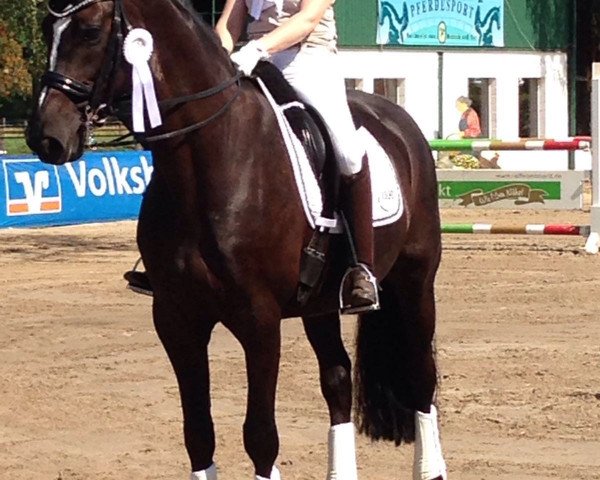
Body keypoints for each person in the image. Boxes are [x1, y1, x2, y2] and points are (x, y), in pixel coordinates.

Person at [126, 0, 379, 312]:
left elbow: (307, 19)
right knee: (193, 135)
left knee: (348, 152)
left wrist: (258, 48)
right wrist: (215, 56)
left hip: (308, 59)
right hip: (251, 63)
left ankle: (361, 267)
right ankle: (165, 256)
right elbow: (229, 26)